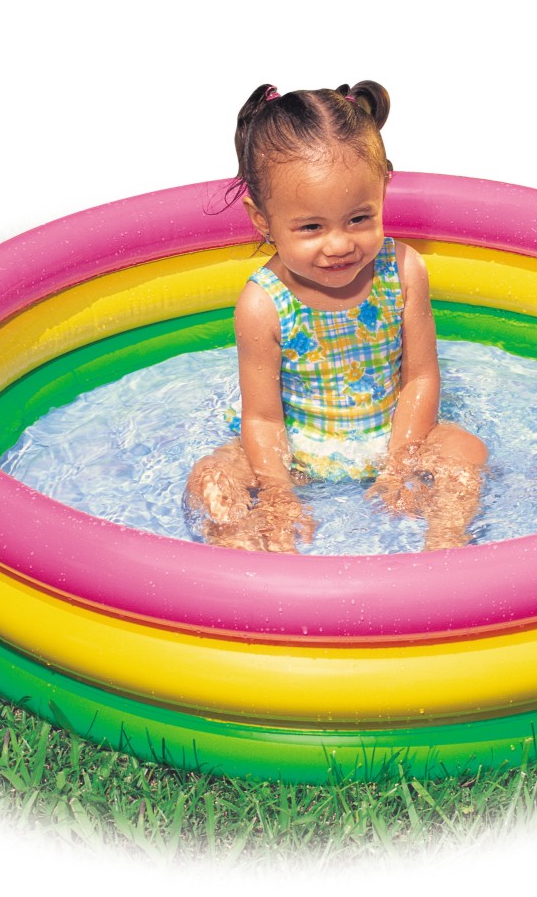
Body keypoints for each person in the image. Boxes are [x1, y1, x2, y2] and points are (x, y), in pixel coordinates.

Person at [186, 81, 487, 553]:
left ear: (383, 189)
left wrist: (402, 462)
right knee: (211, 480)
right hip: (299, 449)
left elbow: (420, 378)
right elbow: (262, 418)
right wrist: (277, 491)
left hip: (393, 435)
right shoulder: (263, 303)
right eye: (311, 227)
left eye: (358, 219)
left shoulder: (403, 270)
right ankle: (252, 562)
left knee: (466, 453)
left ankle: (444, 545)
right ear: (262, 221)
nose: (340, 244)